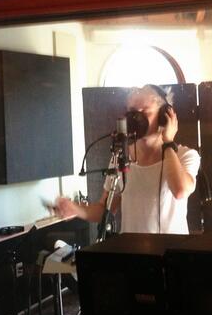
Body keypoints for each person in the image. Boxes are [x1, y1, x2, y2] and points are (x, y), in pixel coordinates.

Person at [54, 84, 200, 234]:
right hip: (131, 247)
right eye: (132, 111)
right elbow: (106, 209)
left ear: (164, 117)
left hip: (172, 248)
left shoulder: (185, 155)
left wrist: (168, 142)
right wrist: (75, 209)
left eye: (144, 111)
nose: (136, 117)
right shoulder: (121, 156)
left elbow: (180, 191)